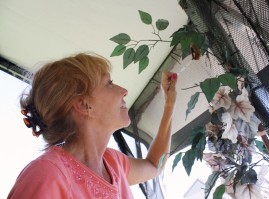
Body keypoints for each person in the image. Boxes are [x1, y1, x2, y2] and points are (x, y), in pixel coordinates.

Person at [7, 52, 178, 199]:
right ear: (83, 105)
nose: (124, 90)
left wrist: (169, 105)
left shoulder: (114, 163)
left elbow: (155, 165)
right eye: (108, 83)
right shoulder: (48, 174)